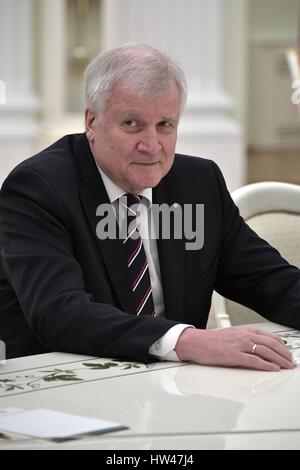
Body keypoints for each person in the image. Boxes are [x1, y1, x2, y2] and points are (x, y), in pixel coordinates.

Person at [0, 44, 299, 372]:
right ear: (91, 122)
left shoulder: (198, 183)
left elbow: (272, 282)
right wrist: (187, 340)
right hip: (64, 393)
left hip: (176, 391)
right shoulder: (37, 189)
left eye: (165, 125)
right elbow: (59, 313)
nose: (152, 145)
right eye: (132, 123)